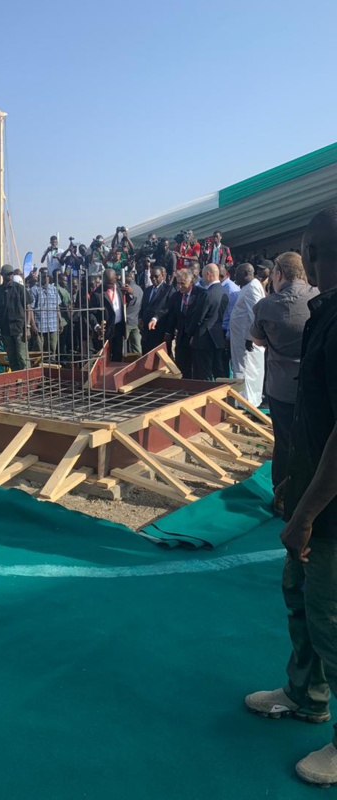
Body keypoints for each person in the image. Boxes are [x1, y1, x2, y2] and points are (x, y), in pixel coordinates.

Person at [244, 206, 337, 787]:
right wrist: (291, 480)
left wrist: (305, 513)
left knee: (331, 617)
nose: (312, 264)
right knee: (300, 597)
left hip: (331, 511)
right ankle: (305, 694)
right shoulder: (325, 309)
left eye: (318, 249)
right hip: (310, 490)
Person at [250, 253, 318, 489]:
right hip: (315, 384)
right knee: (314, 439)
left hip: (282, 387)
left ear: (278, 274)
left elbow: (257, 340)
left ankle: (282, 494)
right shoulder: (320, 296)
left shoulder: (266, 306)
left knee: (285, 443)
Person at [229, 263, 266, 406]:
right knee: (242, 369)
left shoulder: (252, 288)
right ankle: (243, 400)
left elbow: (255, 315)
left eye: (237, 274)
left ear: (246, 274)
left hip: (247, 341)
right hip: (240, 339)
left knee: (248, 371)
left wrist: (250, 338)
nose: (235, 277)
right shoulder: (247, 287)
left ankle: (248, 403)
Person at [164, 269, 206, 378]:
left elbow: (202, 317)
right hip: (181, 335)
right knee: (182, 364)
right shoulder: (176, 296)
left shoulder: (201, 295)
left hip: (195, 336)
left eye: (182, 283)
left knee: (196, 367)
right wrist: (169, 332)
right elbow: (172, 316)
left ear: (191, 282)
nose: (179, 286)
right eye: (178, 283)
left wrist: (195, 335)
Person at [192, 264, 228, 381]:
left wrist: (190, 333)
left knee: (204, 372)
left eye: (202, 275)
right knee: (218, 370)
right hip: (217, 336)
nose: (202, 278)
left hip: (203, 337)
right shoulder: (224, 291)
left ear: (208, 274)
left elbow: (198, 317)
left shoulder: (207, 294)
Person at [0, 263, 28, 371]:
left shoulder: (20, 289)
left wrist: (28, 327)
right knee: (12, 359)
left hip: (19, 328)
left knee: (22, 357)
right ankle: (17, 380)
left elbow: (28, 308)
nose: (10, 276)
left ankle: (28, 381)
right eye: (7, 274)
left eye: (11, 274)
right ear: (2, 275)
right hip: (6, 330)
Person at [89, 268, 126, 362]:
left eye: (111, 282)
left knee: (117, 356)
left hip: (118, 328)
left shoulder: (120, 287)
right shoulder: (97, 294)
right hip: (105, 330)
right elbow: (90, 313)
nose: (109, 285)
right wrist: (97, 326)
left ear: (115, 279)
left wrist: (131, 294)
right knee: (105, 358)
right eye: (106, 282)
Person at [139, 267, 175, 354]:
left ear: (163, 276)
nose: (153, 279)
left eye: (156, 276)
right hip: (147, 333)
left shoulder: (169, 290)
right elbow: (143, 307)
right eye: (151, 277)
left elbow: (170, 311)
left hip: (160, 332)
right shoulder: (147, 290)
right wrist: (140, 318)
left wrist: (168, 332)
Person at [29, 268, 61, 359]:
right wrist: (33, 324)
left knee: (52, 350)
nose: (45, 278)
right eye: (43, 276)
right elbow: (30, 308)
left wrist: (60, 321)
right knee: (39, 351)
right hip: (39, 326)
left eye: (47, 276)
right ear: (39, 277)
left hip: (53, 325)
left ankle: (51, 370)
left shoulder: (54, 289)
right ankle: (39, 369)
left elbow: (57, 306)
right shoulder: (34, 290)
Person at [219, 264, 240, 377]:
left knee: (225, 364)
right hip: (220, 329)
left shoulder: (231, 290)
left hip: (226, 331)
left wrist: (228, 335)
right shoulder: (221, 287)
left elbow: (233, 315)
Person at [123, 269, 143, 355]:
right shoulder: (140, 289)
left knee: (123, 348)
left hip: (127, 321)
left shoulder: (127, 289)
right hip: (135, 321)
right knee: (137, 348)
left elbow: (130, 297)